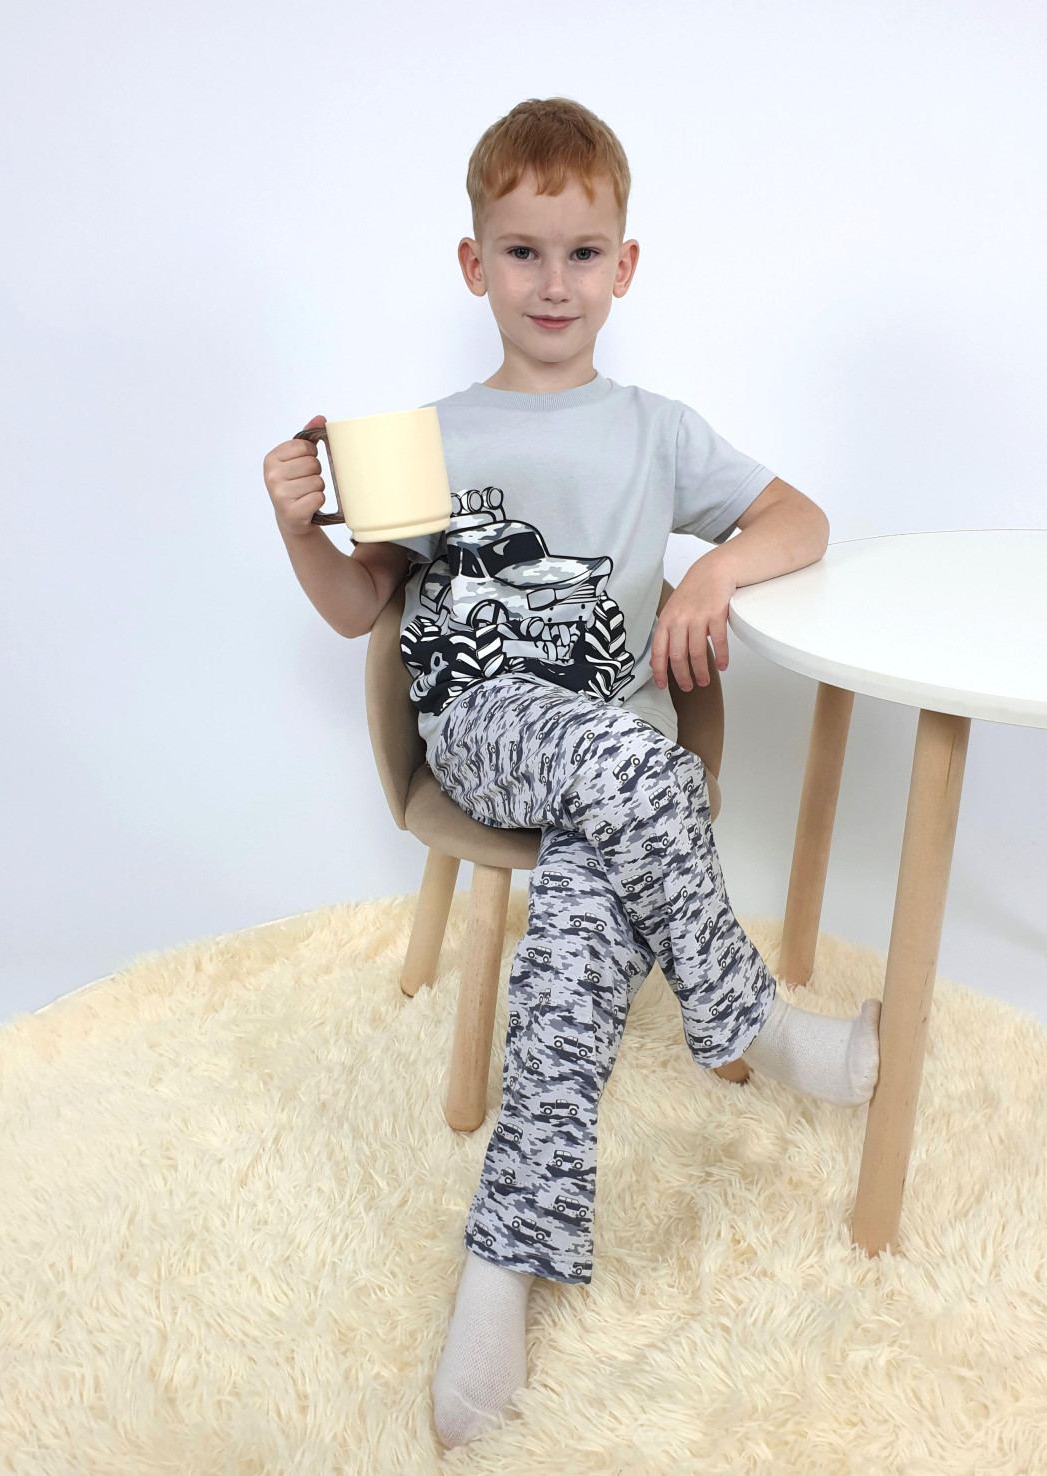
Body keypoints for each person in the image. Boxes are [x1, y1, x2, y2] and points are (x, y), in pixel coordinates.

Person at [262, 96, 881, 1450]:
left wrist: (711, 573)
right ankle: (751, 1022)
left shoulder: (657, 429)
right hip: (485, 727)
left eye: (583, 253)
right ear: (475, 263)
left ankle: (502, 1260)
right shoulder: (427, 436)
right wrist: (301, 529)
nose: (555, 282)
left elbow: (801, 517)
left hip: (616, 754)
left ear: (624, 266)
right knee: (634, 769)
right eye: (525, 253)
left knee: (595, 890)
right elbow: (362, 607)